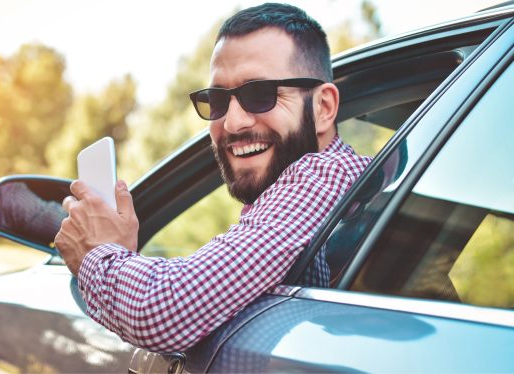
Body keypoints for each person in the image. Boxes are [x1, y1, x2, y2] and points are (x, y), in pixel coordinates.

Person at [55, 2, 371, 353]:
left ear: (323, 107)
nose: (233, 123)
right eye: (217, 100)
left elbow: (161, 311)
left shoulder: (323, 177)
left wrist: (97, 253)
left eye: (260, 94)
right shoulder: (316, 197)